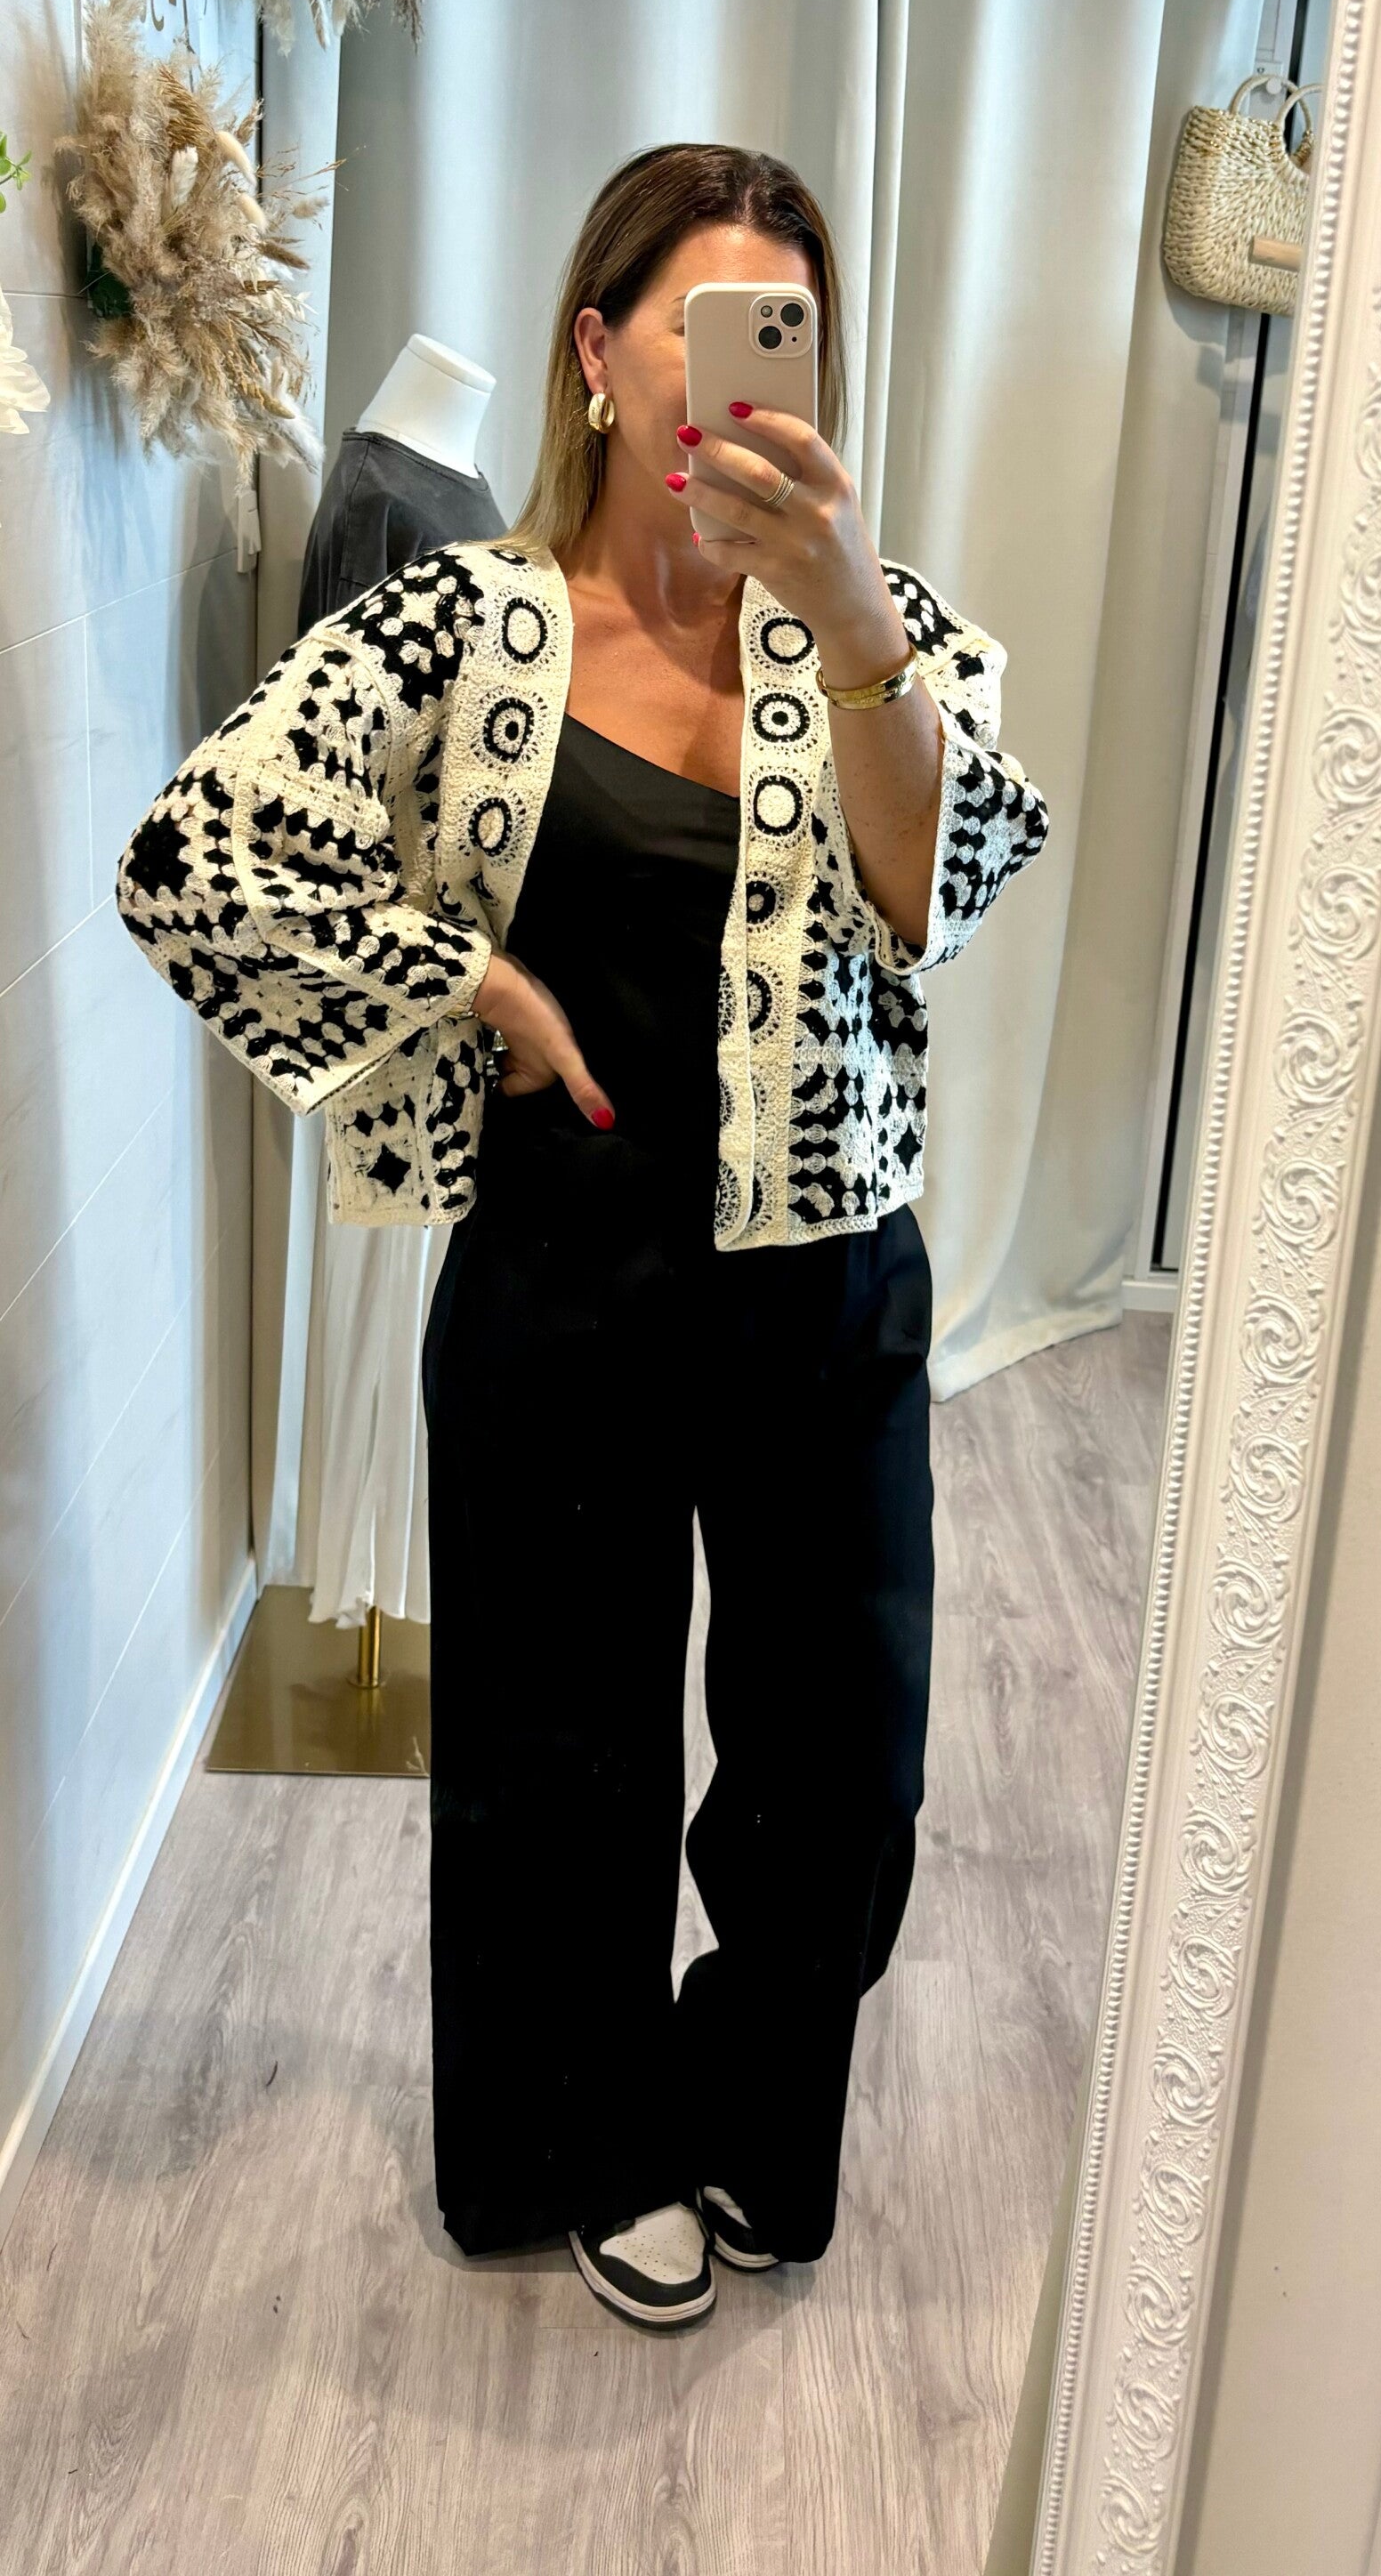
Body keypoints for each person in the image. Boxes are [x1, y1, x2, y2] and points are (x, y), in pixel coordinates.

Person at [113, 141, 1049, 2330]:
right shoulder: (467, 620)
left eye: (784, 340)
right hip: (565, 1280)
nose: (742, 390)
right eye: (704, 334)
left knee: (844, 1764)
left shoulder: (894, 633)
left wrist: (856, 624)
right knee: (559, 1754)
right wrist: (462, 978)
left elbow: (937, 895)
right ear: (602, 354)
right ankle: (584, 2142)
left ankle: (745, 2105)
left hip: (831, 1288)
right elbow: (197, 852)